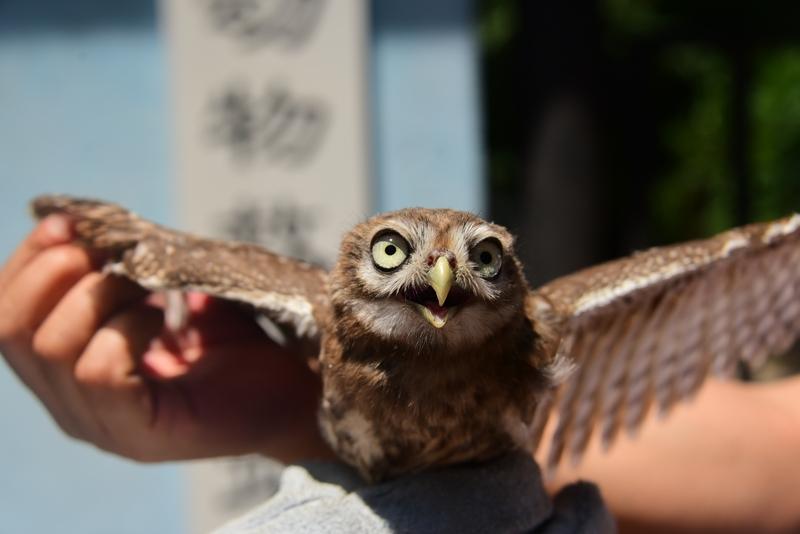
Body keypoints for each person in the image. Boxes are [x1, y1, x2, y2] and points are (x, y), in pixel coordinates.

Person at [0, 215, 798, 533]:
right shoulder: (322, 318)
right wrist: (286, 400)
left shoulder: (535, 334)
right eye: (396, 255)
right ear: (351, 274)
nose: (442, 283)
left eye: (481, 261)